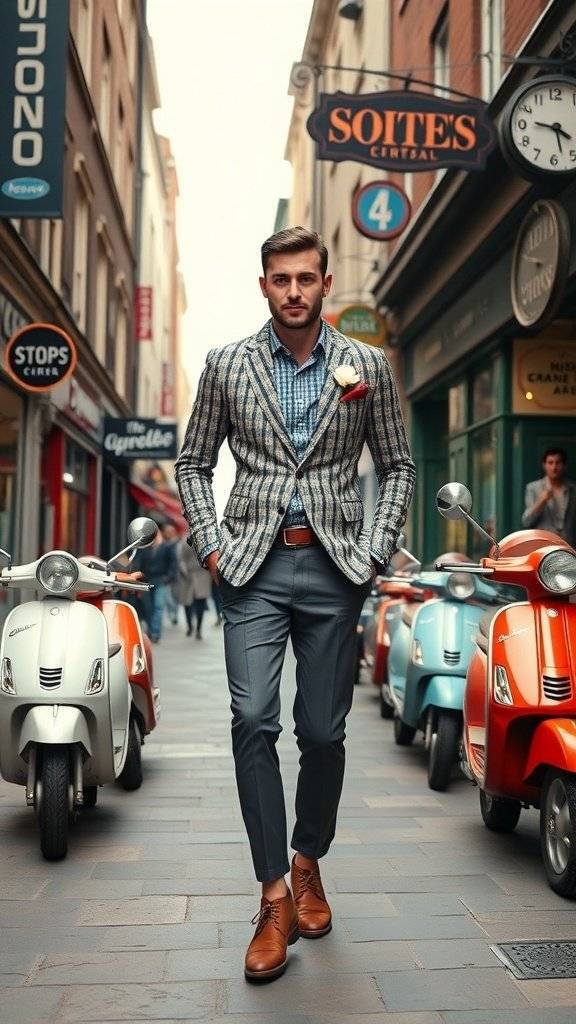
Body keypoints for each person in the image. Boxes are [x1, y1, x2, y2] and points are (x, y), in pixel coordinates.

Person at [175, 226, 415, 981]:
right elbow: (193, 463)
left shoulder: (366, 365)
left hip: (336, 569)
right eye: (281, 279)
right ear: (264, 286)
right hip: (252, 568)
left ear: (325, 283)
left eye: (306, 278)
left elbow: (399, 466)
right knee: (252, 720)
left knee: (323, 732)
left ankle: (308, 858)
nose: (294, 291)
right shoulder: (227, 365)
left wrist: (373, 550)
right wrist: (212, 546)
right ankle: (274, 895)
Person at [522, 447, 576, 547]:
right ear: (544, 465)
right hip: (544, 548)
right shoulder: (533, 488)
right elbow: (526, 521)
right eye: (550, 463)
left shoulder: (573, 489)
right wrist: (541, 501)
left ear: (564, 465)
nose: (554, 467)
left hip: (569, 547)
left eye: (558, 463)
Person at [133, 526, 178, 643]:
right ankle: (151, 629)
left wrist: (168, 578)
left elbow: (173, 564)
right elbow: (137, 563)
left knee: (158, 606)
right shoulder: (144, 548)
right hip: (147, 581)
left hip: (161, 581)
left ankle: (155, 633)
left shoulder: (167, 547)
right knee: (148, 607)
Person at [175, 535, 212, 638]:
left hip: (202, 575)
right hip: (188, 576)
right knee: (187, 604)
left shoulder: (206, 539)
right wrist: (184, 570)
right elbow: (182, 559)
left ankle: (198, 628)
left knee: (201, 603)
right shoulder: (185, 542)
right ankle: (190, 626)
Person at [161, 522, 180, 626]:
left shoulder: (176, 544)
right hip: (166, 576)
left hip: (176, 575)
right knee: (168, 597)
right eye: (167, 532)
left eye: (170, 532)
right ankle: (172, 614)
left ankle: (174, 614)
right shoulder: (163, 544)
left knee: (174, 597)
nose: (169, 533)